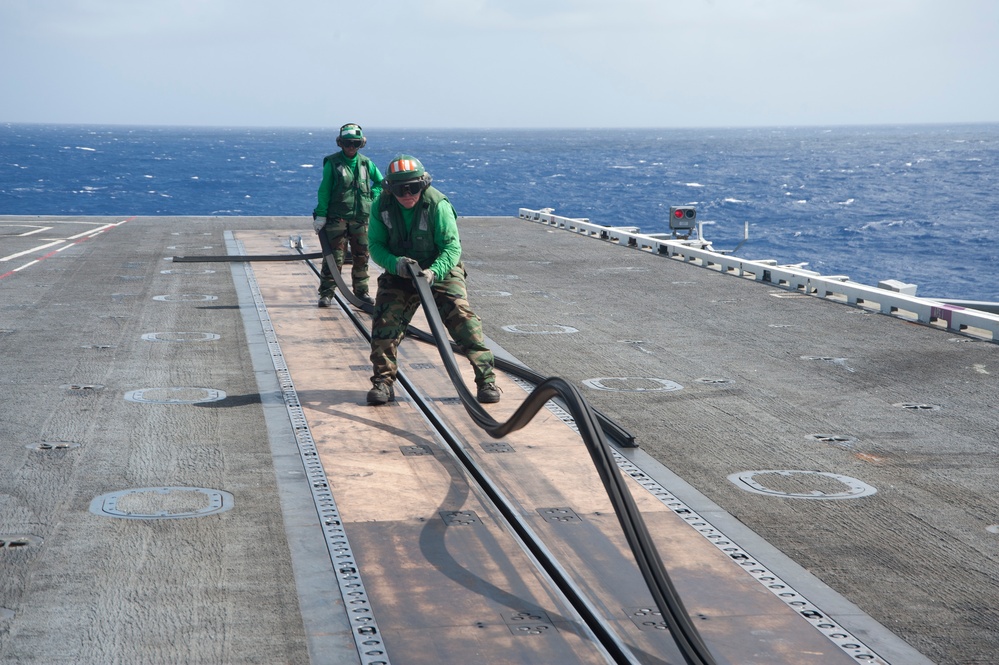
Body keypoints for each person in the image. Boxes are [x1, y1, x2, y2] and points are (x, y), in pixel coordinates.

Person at [366, 155, 501, 405]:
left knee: (462, 317)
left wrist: (434, 272)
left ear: (423, 185)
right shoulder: (380, 206)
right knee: (385, 319)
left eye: (413, 188)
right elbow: (375, 245)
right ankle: (383, 382)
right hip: (401, 271)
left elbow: (451, 247)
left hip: (440, 268)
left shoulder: (438, 205)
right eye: (400, 189)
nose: (407, 195)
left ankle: (486, 380)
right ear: (389, 189)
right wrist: (395, 264)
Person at [312, 123, 384, 306]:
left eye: (355, 144)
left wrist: (372, 196)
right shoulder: (332, 163)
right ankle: (326, 293)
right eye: (347, 143)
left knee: (362, 256)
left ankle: (361, 292)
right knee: (334, 258)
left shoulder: (366, 163)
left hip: (361, 220)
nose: (351, 147)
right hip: (337, 219)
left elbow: (381, 183)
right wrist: (321, 216)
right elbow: (324, 191)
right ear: (340, 143)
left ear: (361, 144)